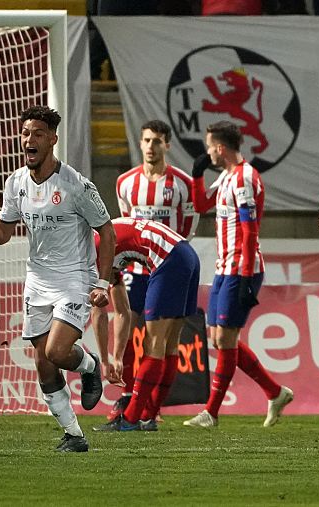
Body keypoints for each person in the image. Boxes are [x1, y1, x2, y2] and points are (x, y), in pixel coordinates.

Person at [0, 105, 116, 453]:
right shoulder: (15, 182)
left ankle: (90, 366)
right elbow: (2, 234)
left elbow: (106, 233)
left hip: (75, 279)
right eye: (25, 133)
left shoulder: (76, 185)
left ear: (53, 140)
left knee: (59, 350)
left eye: (38, 134)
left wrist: (102, 284)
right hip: (37, 281)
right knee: (43, 362)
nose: (29, 140)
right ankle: (74, 435)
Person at [185, 120, 294, 428]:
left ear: (220, 148)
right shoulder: (225, 177)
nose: (207, 153)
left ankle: (211, 412)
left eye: (209, 147)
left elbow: (249, 231)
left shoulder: (245, 177)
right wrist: (197, 174)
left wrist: (246, 276)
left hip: (240, 269)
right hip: (224, 268)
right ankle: (275, 392)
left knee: (226, 339)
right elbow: (201, 204)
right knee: (220, 339)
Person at [111, 119, 198, 421]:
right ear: (140, 143)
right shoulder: (125, 183)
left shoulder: (182, 184)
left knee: (159, 340)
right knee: (127, 328)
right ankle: (127, 396)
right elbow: (127, 224)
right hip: (138, 270)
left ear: (167, 145)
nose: (151, 147)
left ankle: (150, 408)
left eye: (157, 141)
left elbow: (189, 224)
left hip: (168, 265)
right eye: (146, 140)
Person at [91, 217, 201, 431]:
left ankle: (130, 419)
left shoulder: (92, 255)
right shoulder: (102, 237)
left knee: (155, 344)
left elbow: (100, 313)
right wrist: (117, 357)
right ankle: (148, 416)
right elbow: (122, 311)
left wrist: (105, 360)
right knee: (169, 344)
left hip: (168, 260)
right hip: (186, 254)